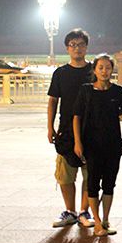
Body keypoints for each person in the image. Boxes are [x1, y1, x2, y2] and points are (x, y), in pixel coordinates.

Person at [73, 54, 122, 236]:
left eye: (108, 67)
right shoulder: (86, 90)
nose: (104, 71)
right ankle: (96, 221)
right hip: (91, 144)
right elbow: (77, 116)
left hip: (112, 144)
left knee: (110, 183)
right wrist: (78, 142)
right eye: (101, 67)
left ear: (112, 70)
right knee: (93, 183)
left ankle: (105, 219)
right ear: (95, 70)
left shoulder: (118, 91)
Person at [47, 28, 94, 228]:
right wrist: (50, 127)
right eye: (73, 45)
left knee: (90, 174)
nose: (77, 48)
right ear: (67, 48)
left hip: (91, 129)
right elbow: (53, 101)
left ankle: (84, 211)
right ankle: (70, 211)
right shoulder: (61, 73)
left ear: (86, 47)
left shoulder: (94, 71)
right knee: (65, 175)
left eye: (81, 44)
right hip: (66, 129)